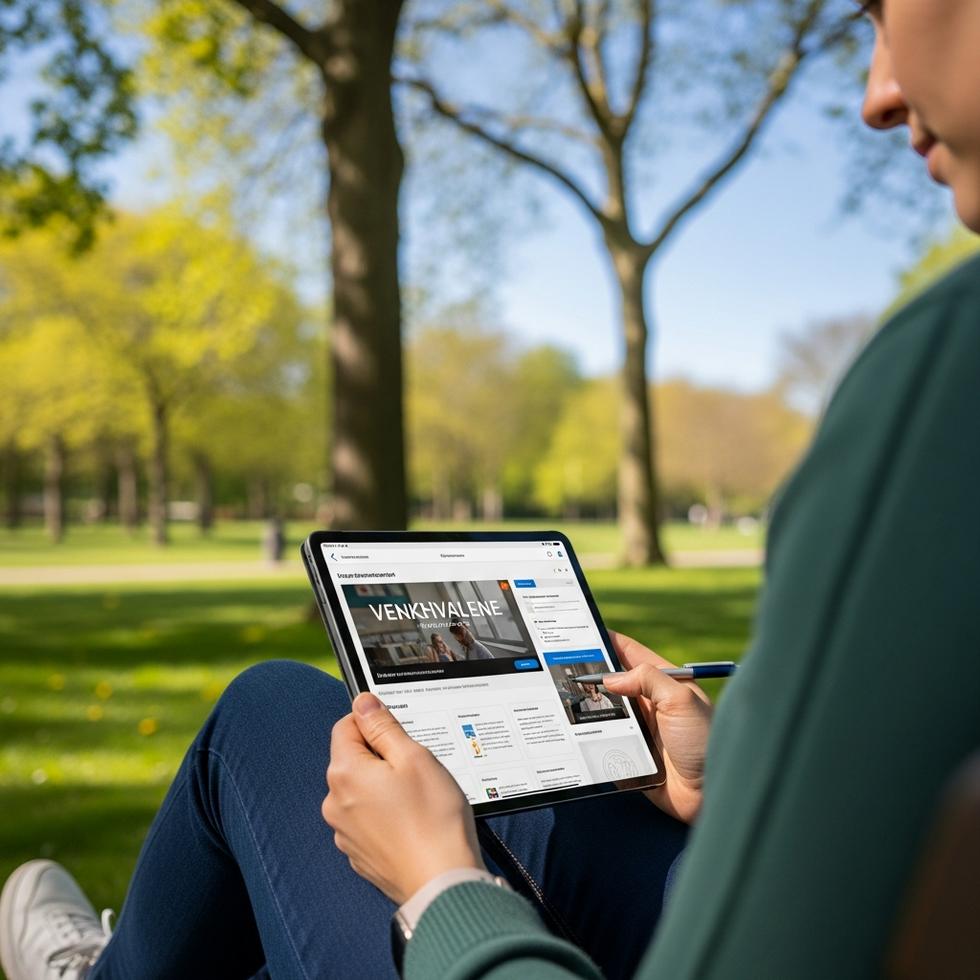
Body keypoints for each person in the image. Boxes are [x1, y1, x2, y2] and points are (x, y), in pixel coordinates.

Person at [2, 2, 979, 978]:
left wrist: (442, 889)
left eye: (888, 14)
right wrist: (725, 790)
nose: (875, 95)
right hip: (691, 895)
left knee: (267, 720)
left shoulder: (945, 375)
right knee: (548, 784)